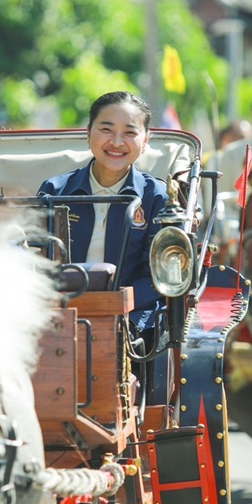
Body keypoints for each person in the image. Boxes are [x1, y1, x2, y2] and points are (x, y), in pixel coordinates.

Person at [37, 91, 167, 335]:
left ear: (146, 140)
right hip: (60, 313)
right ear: (88, 133)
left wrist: (115, 306)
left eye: (130, 132)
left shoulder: (157, 197)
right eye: (106, 129)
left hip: (132, 319)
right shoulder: (54, 190)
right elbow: (40, 263)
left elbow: (158, 276)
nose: (117, 142)